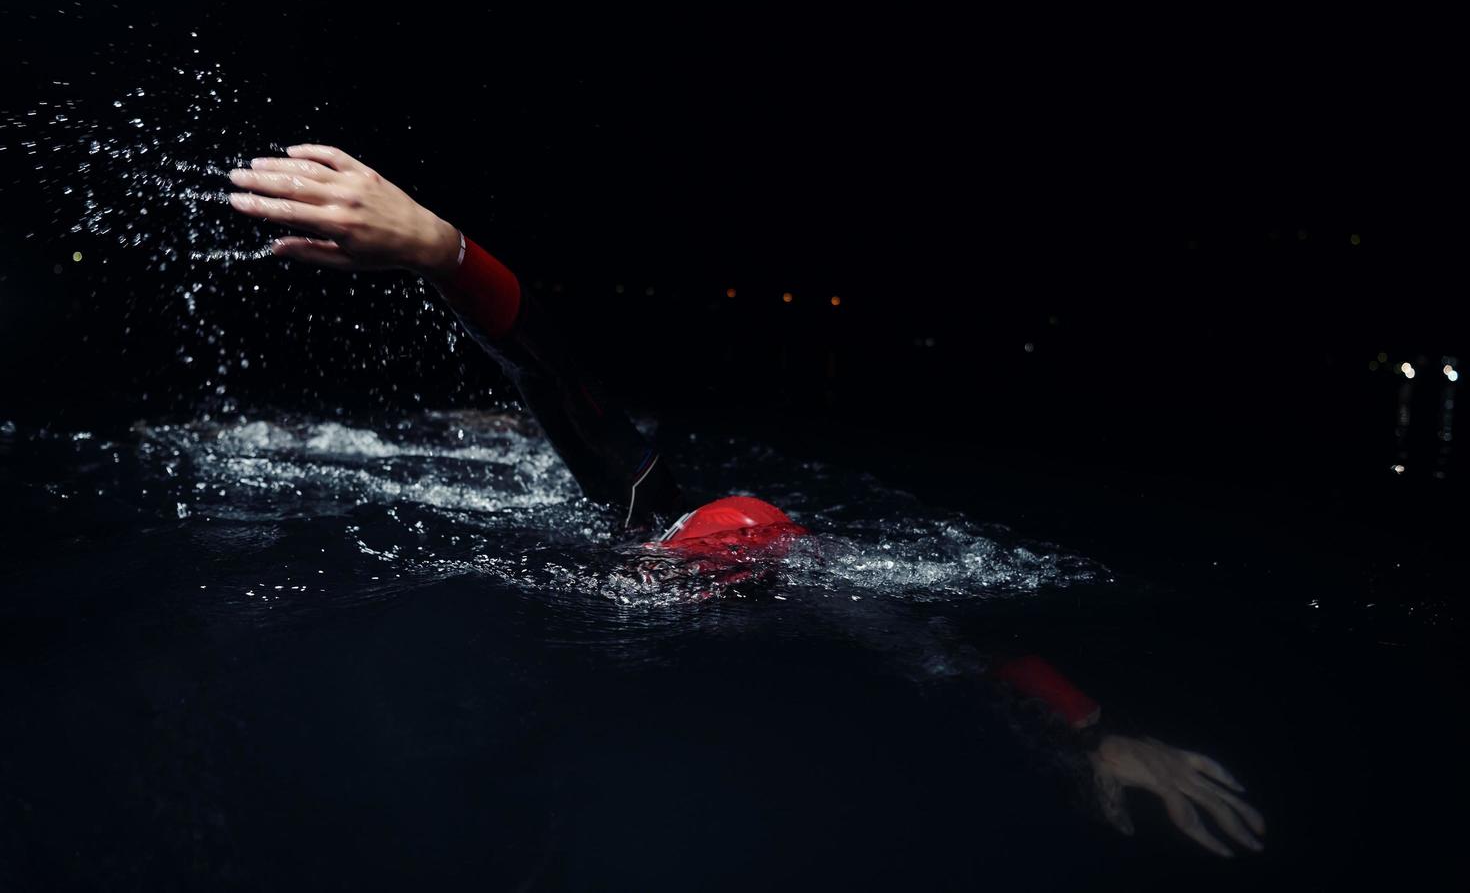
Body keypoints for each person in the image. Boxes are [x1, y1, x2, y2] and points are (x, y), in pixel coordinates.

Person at [226, 144, 1267, 858]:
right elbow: (555, 371)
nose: (651, 575)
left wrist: (1095, 732)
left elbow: (959, 645)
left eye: (684, 571)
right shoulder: (646, 511)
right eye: (667, 561)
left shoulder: (816, 593)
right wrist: (440, 249)